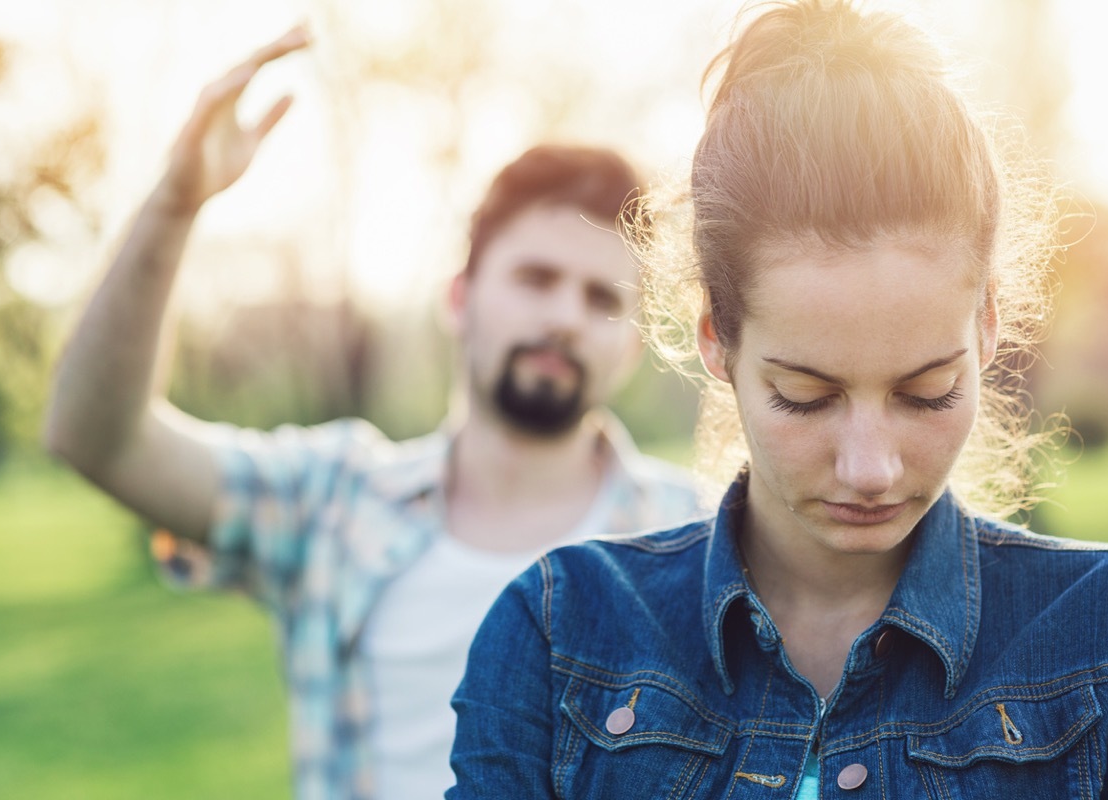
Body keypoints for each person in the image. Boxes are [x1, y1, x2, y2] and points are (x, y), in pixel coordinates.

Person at [448, 1, 1108, 796]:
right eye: (805, 396)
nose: (870, 467)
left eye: (927, 392)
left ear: (987, 329)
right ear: (715, 338)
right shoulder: (557, 633)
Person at [43, 26, 702, 800]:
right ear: (459, 296)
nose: (564, 315)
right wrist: (174, 203)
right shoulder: (331, 501)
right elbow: (98, 438)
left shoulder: (696, 540)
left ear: (631, 345)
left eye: (602, 299)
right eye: (535, 276)